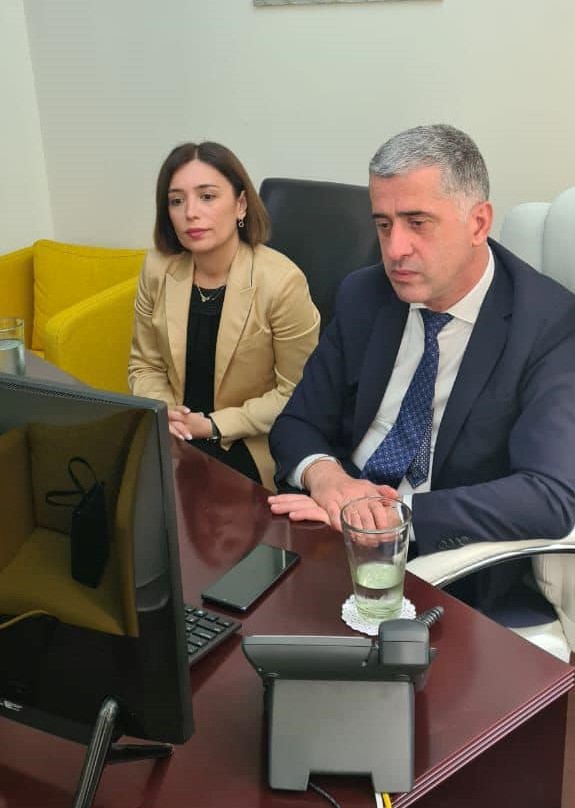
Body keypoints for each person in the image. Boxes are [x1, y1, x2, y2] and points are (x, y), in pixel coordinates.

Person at [268, 124, 575, 609]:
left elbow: (550, 494)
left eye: (417, 222)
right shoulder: (364, 293)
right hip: (328, 526)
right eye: (383, 224)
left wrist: (393, 518)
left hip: (441, 561)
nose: (394, 250)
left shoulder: (547, 323)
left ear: (478, 223)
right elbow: (296, 423)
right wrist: (328, 479)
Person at [129, 141, 320, 491]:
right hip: (173, 433)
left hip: (247, 439)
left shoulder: (281, 282)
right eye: (176, 201)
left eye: (207, 196)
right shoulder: (157, 268)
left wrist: (213, 426)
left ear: (240, 204)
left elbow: (296, 393)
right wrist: (167, 414)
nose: (190, 212)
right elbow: (145, 366)